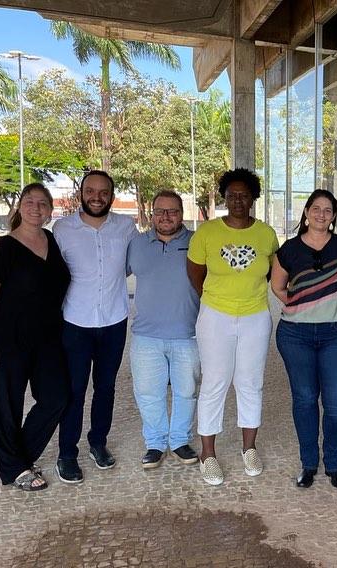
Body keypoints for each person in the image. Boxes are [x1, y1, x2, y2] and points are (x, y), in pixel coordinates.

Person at [187, 168, 279, 486]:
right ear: (224, 198)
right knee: (215, 382)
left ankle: (248, 449)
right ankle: (208, 454)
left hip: (255, 317)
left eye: (243, 195)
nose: (237, 200)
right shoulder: (207, 233)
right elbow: (196, 274)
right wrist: (218, 301)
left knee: (250, 383)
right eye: (231, 195)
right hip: (215, 317)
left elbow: (269, 275)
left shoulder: (266, 235)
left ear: (253, 197)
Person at [0, 183, 70, 491]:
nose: (36, 207)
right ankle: (15, 469)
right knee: (7, 405)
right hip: (7, 341)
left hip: (48, 340)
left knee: (57, 397)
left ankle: (20, 457)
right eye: (29, 201)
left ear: (50, 210)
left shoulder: (52, 241)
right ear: (19, 206)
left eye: (43, 203)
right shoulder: (3, 247)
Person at [53, 170, 138, 483]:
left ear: (112, 195)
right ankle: (67, 453)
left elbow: (131, 265)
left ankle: (98, 443)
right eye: (91, 190)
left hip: (114, 321)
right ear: (81, 193)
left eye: (104, 192)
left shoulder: (127, 227)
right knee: (74, 391)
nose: (97, 197)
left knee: (105, 388)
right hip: (75, 323)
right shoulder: (62, 229)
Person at [270, 189, 337, 489]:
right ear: (306, 212)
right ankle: (309, 464)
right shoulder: (289, 249)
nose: (321, 214)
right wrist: (301, 304)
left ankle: (334, 464)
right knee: (305, 399)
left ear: (334, 216)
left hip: (336, 334)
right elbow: (278, 286)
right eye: (315, 208)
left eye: (328, 210)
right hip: (296, 335)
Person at [127, 190, 200, 469]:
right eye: (160, 211)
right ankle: (155, 443)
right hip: (146, 336)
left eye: (172, 211)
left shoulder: (196, 242)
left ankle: (180, 440)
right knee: (148, 393)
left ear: (182, 213)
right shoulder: (136, 244)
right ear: (151, 212)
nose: (166, 216)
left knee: (186, 391)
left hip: (187, 335)